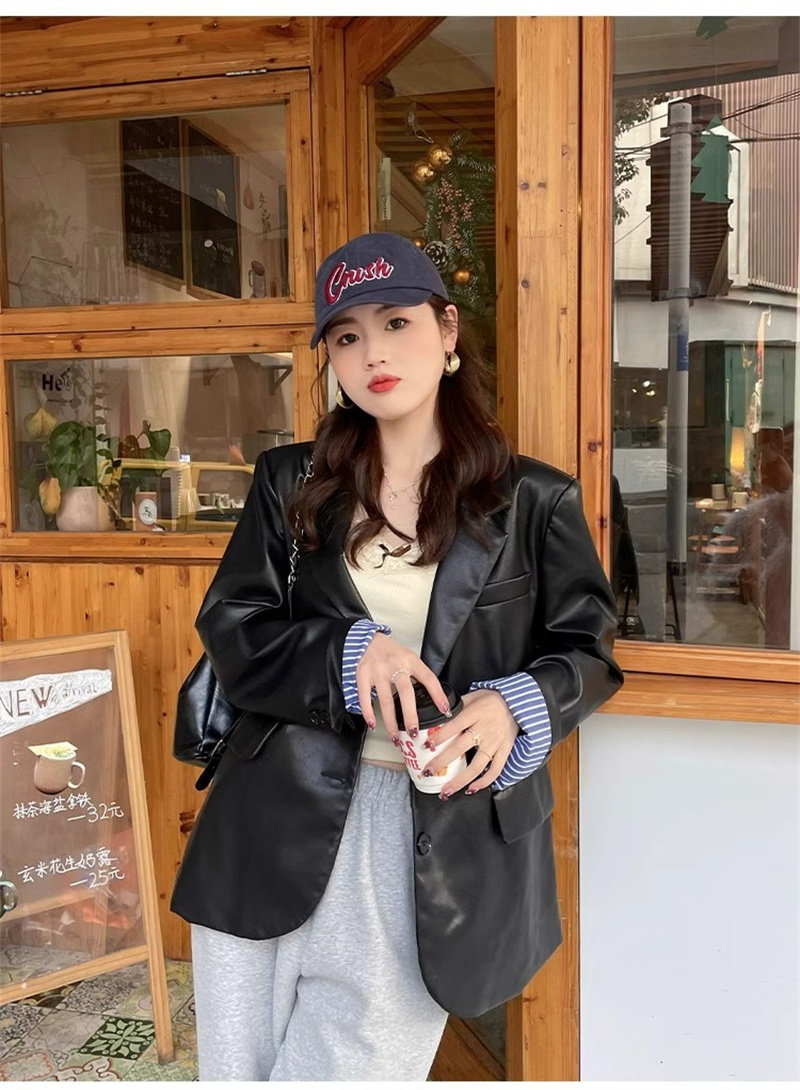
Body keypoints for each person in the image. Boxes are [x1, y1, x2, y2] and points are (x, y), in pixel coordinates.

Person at [171, 231, 624, 1081]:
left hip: (430, 833)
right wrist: (348, 655)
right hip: (270, 814)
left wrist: (515, 705)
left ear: (447, 331)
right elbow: (233, 625)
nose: (373, 353)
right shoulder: (290, 482)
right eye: (346, 336)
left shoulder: (534, 499)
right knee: (235, 1068)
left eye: (396, 322)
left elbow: (588, 649)